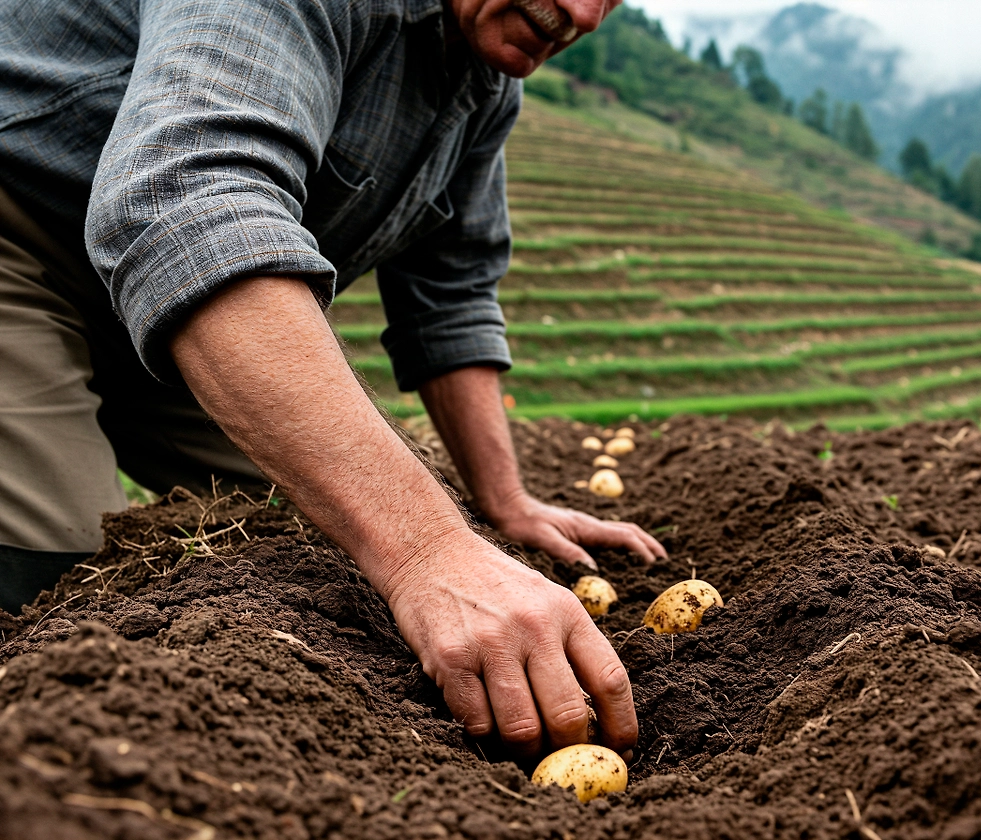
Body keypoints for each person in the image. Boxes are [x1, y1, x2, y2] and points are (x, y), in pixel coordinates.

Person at [0, 0, 665, 760]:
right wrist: (427, 551)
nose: (580, 13)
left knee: (313, 539)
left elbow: (449, 297)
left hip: (165, 311)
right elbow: (182, 200)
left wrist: (499, 504)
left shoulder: (481, 85)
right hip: (23, 241)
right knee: (67, 589)